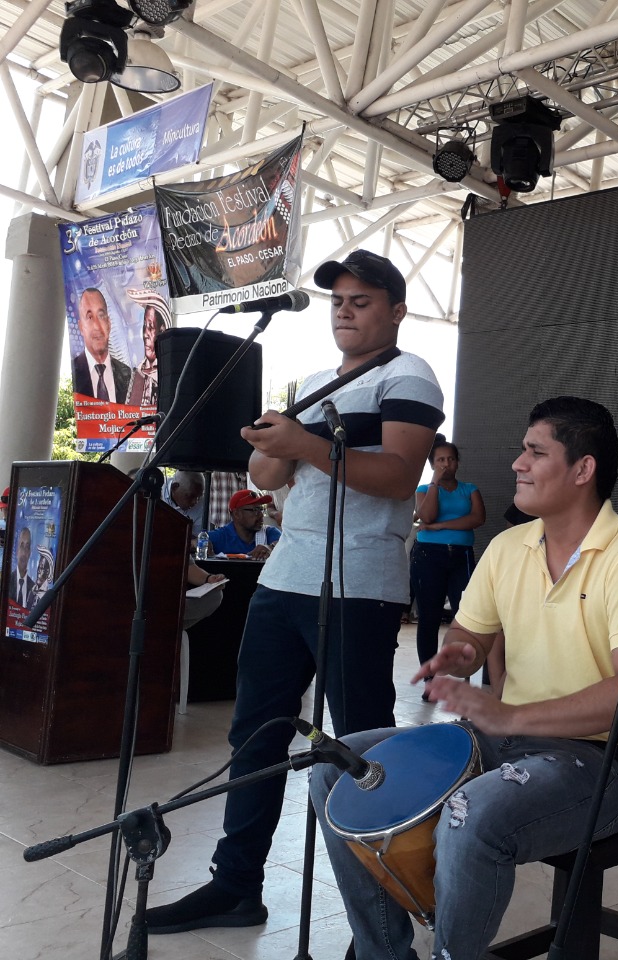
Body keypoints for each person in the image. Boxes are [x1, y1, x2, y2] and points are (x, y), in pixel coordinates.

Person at [145, 249, 445, 933]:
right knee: (256, 733)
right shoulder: (312, 381)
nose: (345, 311)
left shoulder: (408, 374)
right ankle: (235, 884)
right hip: (285, 576)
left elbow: (399, 476)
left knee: (362, 748)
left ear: (397, 312)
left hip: (358, 582)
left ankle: (383, 916)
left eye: (362, 301)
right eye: (338, 300)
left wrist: (304, 444)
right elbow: (264, 475)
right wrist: (277, 443)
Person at [311, 396, 618, 960]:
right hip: (499, 742)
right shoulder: (509, 547)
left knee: (472, 815)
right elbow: (469, 633)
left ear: (583, 469)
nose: (517, 464)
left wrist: (510, 714)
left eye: (535, 452)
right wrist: (459, 654)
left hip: (598, 764)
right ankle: (383, 954)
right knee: (336, 768)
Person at [412, 441, 486, 666]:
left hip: (461, 556)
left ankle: (463, 669)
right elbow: (427, 516)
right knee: (429, 616)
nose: (446, 464)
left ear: (457, 462)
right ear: (433, 465)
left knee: (464, 613)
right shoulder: (423, 490)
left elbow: (477, 518)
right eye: (440, 460)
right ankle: (429, 674)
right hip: (428, 556)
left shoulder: (469, 489)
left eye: (451, 459)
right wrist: (434, 482)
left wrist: (440, 526)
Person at [70, 287, 132, 401]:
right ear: (81, 327)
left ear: (109, 324)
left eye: (101, 316)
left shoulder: (126, 374)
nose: (97, 326)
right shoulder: (73, 372)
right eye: (89, 317)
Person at [203, 489, 282, 559]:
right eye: (255, 510)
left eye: (261, 509)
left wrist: (271, 547)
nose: (261, 515)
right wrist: (201, 544)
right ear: (237, 514)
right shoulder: (222, 536)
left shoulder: (269, 533)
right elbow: (198, 540)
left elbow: (286, 544)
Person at [126, 295, 170, 407]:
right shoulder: (138, 373)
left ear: (162, 330)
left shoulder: (169, 372)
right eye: (144, 326)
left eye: (150, 327)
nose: (145, 334)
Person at [9, 526, 34, 609]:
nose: (24, 552)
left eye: (27, 547)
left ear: (30, 552)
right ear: (17, 550)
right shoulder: (6, 582)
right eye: (21, 545)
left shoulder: (33, 588)